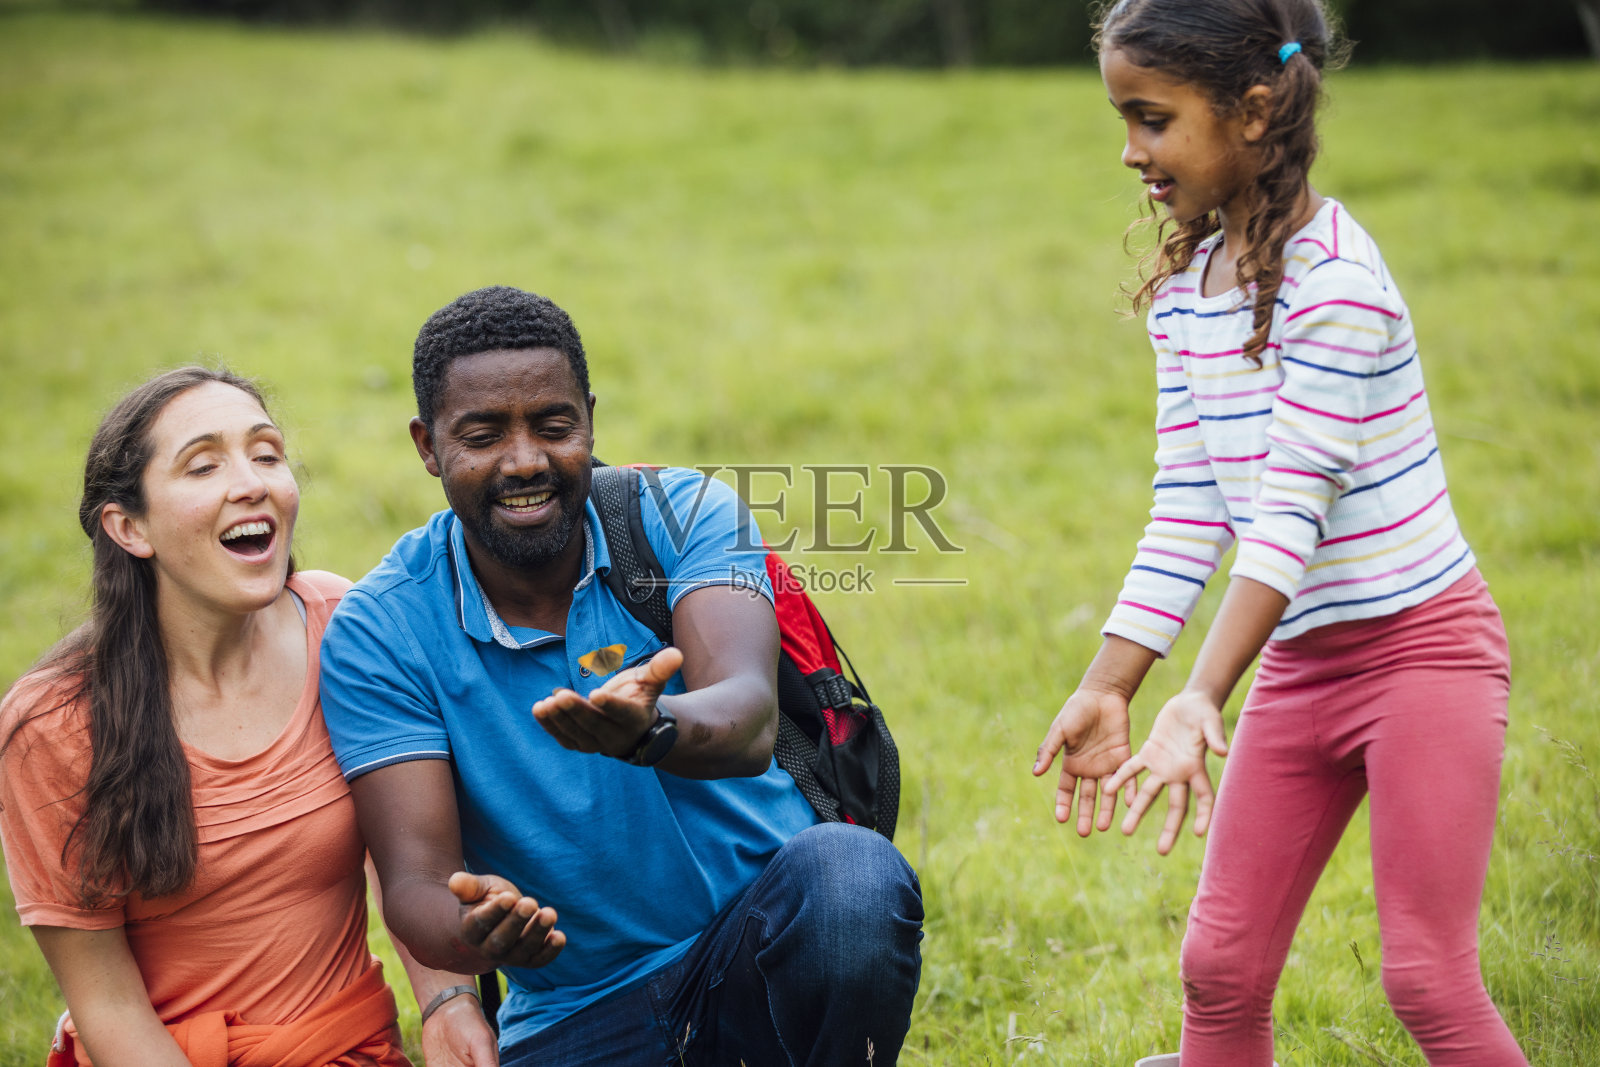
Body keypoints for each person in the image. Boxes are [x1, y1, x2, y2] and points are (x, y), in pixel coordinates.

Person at [1031, 2, 1527, 1064]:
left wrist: (1201, 693)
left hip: (1422, 655)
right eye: (1123, 119)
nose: (1130, 152)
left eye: (1151, 119)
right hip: (1303, 665)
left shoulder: (1336, 282)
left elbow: (1289, 514)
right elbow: (1191, 504)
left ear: (1252, 110)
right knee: (1218, 967)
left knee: (1425, 979)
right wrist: (1112, 680)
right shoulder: (1188, 292)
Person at [318, 285, 923, 1066]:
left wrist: (654, 728)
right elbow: (415, 878)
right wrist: (470, 932)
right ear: (428, 446)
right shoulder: (382, 626)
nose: (526, 460)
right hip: (576, 1014)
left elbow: (747, 717)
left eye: (554, 424)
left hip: (757, 946)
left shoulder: (688, 515)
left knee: (854, 875)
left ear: (590, 419)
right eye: (482, 434)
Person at [0, 367, 498, 1067]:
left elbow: (401, 852)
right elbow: (107, 1004)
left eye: (266, 453)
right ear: (128, 526)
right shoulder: (51, 722)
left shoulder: (338, 624)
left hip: (350, 1048)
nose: (252, 482)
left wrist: (448, 1001)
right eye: (203, 465)